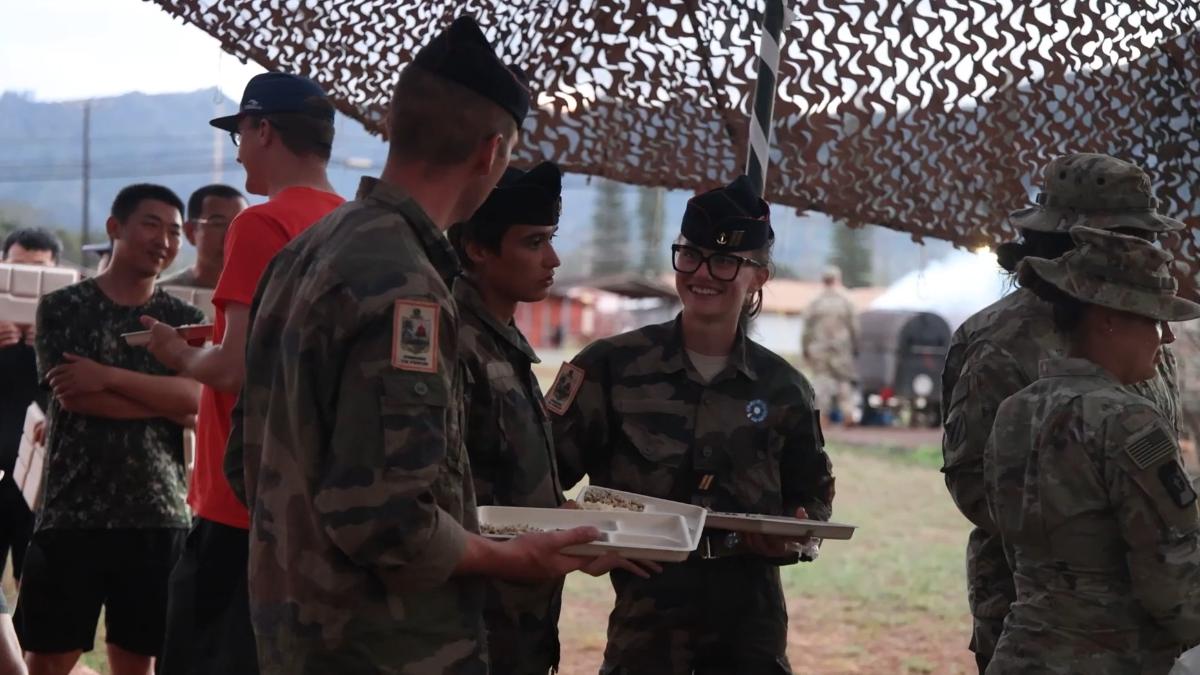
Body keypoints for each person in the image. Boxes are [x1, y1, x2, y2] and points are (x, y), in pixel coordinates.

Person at [227, 17, 614, 673]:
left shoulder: (306, 251)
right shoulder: (406, 283)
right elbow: (391, 522)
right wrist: (517, 556)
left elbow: (247, 464)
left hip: (297, 636)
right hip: (384, 647)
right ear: (491, 152)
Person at [551, 175, 836, 675]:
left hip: (751, 629)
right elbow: (538, 476)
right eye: (691, 255)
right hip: (646, 629)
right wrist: (588, 541)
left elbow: (811, 496)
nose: (703, 273)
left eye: (726, 261)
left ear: (759, 276)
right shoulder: (610, 368)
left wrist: (792, 532)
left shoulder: (784, 388)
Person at [939, 152, 1185, 672]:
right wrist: (1096, 538)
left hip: (1151, 610)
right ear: (1076, 237)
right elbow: (973, 479)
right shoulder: (999, 342)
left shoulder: (1143, 327)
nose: (1140, 248)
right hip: (1041, 611)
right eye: (1125, 235)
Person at [142, 72, 343, 675]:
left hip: (239, 502)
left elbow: (232, 369)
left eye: (240, 134)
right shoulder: (360, 224)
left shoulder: (259, 223)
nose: (238, 151)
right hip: (320, 498)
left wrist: (175, 352)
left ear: (262, 130)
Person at [984, 226, 1200, 672]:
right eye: (1154, 320)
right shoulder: (1129, 421)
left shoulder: (1015, 410)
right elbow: (1172, 583)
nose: (1166, 339)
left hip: (1020, 655)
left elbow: (1012, 543)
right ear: (1108, 318)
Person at [15, 184, 204, 675]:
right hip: (73, 510)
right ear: (114, 228)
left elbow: (197, 401)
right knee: (50, 659)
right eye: (151, 224)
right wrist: (161, 397)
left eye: (175, 231)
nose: (164, 239)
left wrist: (108, 377)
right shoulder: (63, 308)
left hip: (158, 511)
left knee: (138, 660)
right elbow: (75, 396)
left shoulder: (184, 321)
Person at [0, 228, 61, 588]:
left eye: (38, 271)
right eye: (17, 268)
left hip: (42, 473)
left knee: (38, 586)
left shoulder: (69, 323)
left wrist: (51, 346)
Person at [158, 184, 248, 289]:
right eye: (218, 223)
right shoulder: (163, 294)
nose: (231, 236)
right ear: (190, 232)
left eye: (241, 225)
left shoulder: (263, 296)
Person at [801, 265, 858, 425]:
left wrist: (805, 348)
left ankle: (822, 416)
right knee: (844, 381)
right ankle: (848, 413)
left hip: (819, 350)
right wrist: (855, 347)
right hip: (841, 349)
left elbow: (806, 330)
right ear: (838, 279)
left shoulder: (814, 302)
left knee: (821, 381)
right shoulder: (847, 300)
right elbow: (855, 326)